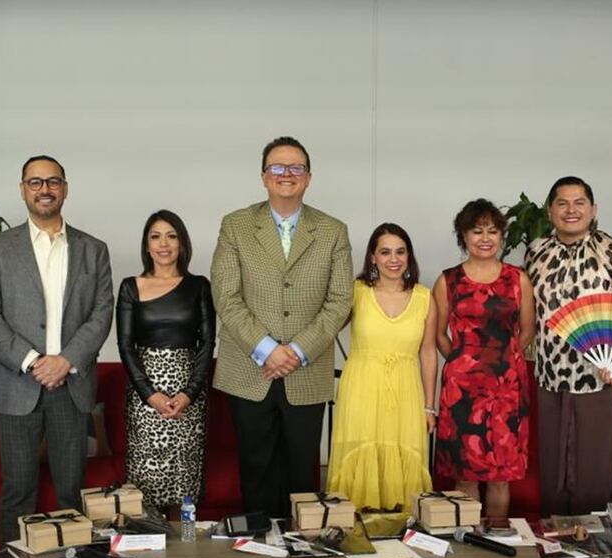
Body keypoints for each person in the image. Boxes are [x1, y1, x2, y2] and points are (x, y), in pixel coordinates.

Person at [0, 155, 113, 558]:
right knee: (18, 487)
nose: (45, 188)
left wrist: (66, 360)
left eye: (53, 181)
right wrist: (34, 361)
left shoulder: (94, 249)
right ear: (22, 190)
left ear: (65, 189)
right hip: (20, 383)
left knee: (71, 485)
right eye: (36, 182)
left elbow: (101, 314)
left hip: (70, 383)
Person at [210, 136, 353, 518]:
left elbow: (340, 301)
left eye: (296, 168)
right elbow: (226, 296)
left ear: (308, 178)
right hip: (249, 369)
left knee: (301, 473)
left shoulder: (332, 230)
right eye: (277, 167)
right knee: (255, 468)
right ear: (263, 176)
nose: (286, 174)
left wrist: (295, 351)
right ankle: (258, 553)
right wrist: (268, 349)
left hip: (307, 371)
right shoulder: (236, 225)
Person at [524, 176, 612, 516]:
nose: (571, 210)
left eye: (579, 202)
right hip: (549, 375)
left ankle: (594, 547)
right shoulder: (536, 252)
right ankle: (553, 539)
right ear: (550, 211)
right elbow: (526, 313)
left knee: (594, 461)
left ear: (593, 210)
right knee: (553, 464)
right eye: (562, 203)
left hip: (599, 376)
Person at [433, 199, 535, 523]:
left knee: (500, 474)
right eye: (477, 231)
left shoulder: (518, 279)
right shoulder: (447, 280)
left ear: (502, 236)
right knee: (464, 473)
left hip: (507, 388)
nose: (485, 238)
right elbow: (438, 335)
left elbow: (528, 331)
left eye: (492, 231)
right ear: (463, 236)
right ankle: (468, 546)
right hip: (461, 389)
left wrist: (500, 362)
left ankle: (497, 539)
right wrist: (466, 363)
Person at [326, 223, 437, 511]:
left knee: (404, 458)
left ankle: (402, 532)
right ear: (372, 257)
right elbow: (325, 329)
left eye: (400, 252)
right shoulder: (356, 291)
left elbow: (428, 352)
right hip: (360, 389)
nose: (393, 259)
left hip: (406, 392)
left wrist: (429, 406)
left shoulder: (425, 297)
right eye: (385, 252)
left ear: (409, 255)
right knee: (359, 456)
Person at [116, 210, 214, 514]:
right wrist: (150, 395)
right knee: (147, 478)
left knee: (185, 479)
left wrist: (189, 394)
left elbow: (207, 343)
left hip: (189, 395)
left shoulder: (199, 285)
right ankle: (150, 547)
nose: (164, 244)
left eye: (172, 236)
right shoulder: (130, 286)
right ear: (147, 245)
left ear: (182, 243)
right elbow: (125, 345)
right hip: (146, 395)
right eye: (156, 236)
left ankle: (185, 548)